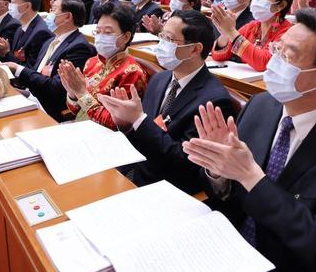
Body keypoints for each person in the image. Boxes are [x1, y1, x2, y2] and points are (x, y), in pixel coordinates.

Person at [183, 8, 316, 272]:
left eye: (288, 56)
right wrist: (218, 170)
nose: (273, 62)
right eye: (276, 49)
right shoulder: (261, 106)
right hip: (226, 251)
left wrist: (251, 177)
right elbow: (228, 196)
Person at [97, 10, 234, 194]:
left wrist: (138, 120)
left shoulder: (214, 99)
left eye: (169, 39)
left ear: (194, 49)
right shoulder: (160, 79)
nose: (161, 45)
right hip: (133, 167)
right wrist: (126, 124)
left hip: (166, 186)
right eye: (161, 36)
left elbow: (183, 160)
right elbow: (143, 132)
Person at [3, 0, 96, 121]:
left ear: (67, 17)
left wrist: (19, 70)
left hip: (50, 108)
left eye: (54, 10)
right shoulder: (50, 41)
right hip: (33, 96)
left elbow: (56, 88)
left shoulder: (79, 47)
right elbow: (36, 73)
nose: (49, 14)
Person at [60, 4, 148, 130]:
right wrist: (72, 93)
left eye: (107, 32)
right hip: (81, 126)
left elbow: (116, 124)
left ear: (126, 37)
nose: (100, 37)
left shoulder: (131, 72)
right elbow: (76, 110)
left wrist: (81, 93)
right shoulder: (92, 62)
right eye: (98, 31)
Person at [211, 0, 294, 70]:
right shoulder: (252, 26)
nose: (257, 0)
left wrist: (231, 31)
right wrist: (225, 34)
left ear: (281, 5)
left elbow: (264, 63)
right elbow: (219, 56)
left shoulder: (288, 32)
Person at [0, 0, 53, 67]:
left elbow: (29, 68)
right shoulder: (20, 28)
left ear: (27, 6)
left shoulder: (41, 32)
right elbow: (15, 57)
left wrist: (6, 52)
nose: (9, 6)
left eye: (13, 2)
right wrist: (3, 52)